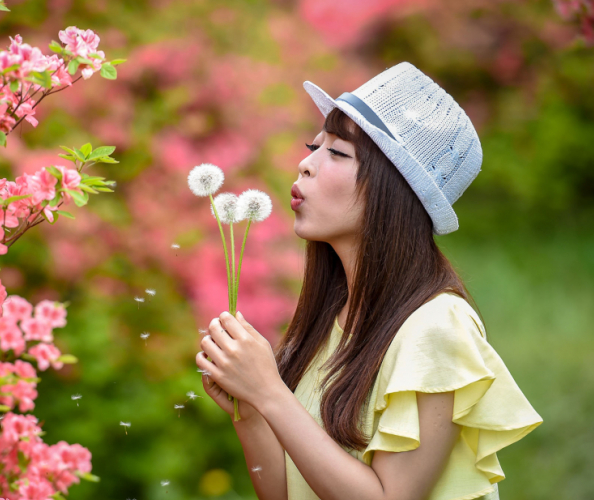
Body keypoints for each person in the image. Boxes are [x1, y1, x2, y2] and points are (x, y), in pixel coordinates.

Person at [195, 61, 543, 500]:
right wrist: (250, 411)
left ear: (392, 190)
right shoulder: (329, 317)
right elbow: (284, 495)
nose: (305, 164)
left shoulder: (437, 328)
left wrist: (269, 393)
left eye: (338, 152)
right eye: (313, 145)